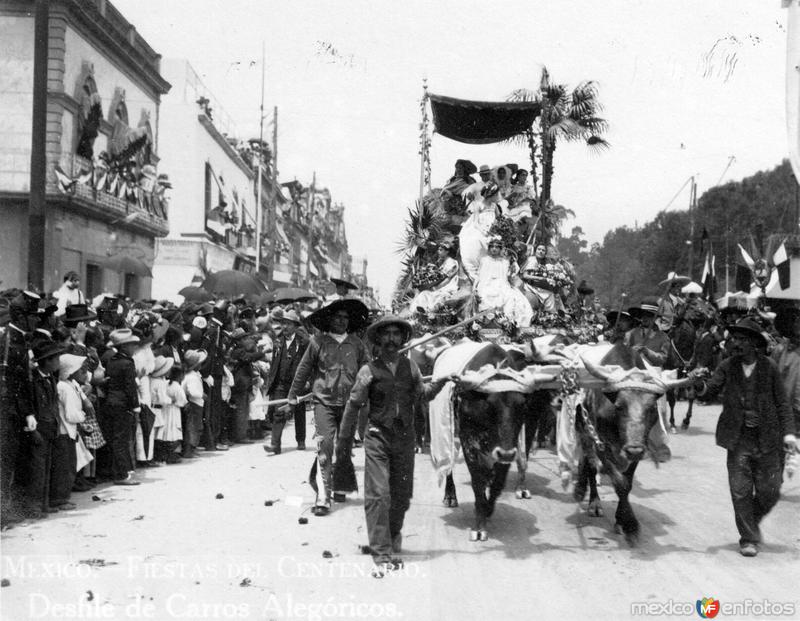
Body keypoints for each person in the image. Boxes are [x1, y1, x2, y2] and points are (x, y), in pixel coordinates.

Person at [335, 316, 447, 577]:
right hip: (377, 437)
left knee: (402, 495)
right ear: (379, 340)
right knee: (378, 495)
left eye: (397, 335)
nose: (391, 339)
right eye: (387, 335)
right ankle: (382, 552)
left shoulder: (412, 368)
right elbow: (353, 405)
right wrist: (343, 442)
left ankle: (393, 535)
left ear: (402, 340)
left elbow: (423, 394)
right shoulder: (368, 371)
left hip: (405, 439)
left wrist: (443, 381)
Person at [694, 317, 796, 557]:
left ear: (754, 343)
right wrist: (699, 385)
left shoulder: (769, 367)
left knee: (770, 490)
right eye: (734, 339)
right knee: (739, 490)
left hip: (768, 440)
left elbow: (782, 403)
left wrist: (789, 433)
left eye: (741, 340)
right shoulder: (727, 366)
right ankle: (748, 537)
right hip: (738, 440)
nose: (736, 344)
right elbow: (709, 391)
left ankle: (751, 518)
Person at [287, 299, 370, 515]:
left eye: (345, 318)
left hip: (350, 404)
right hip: (324, 401)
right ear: (329, 319)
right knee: (325, 448)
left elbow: (366, 369)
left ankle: (341, 486)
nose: (342, 321)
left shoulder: (357, 343)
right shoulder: (317, 342)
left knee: (344, 449)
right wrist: (291, 397)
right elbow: (303, 370)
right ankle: (323, 498)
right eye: (337, 317)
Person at [21, 340, 65, 516]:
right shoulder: (33, 379)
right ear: (46, 361)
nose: (58, 362)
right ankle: (34, 507)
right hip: (38, 430)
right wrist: (33, 431)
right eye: (56, 359)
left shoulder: (50, 378)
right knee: (37, 470)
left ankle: (44, 504)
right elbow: (29, 406)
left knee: (47, 467)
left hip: (50, 428)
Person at [264, 310, 309, 454]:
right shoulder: (278, 341)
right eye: (283, 323)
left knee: (299, 411)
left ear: (295, 326)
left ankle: (301, 440)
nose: (284, 327)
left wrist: (308, 380)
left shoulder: (304, 342)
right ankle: (275, 445)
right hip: (280, 383)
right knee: (279, 412)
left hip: (297, 382)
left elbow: (310, 363)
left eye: (288, 324)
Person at [103, 328, 142, 485]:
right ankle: (121, 475)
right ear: (125, 347)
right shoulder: (127, 363)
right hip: (122, 404)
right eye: (132, 345)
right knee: (121, 439)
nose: (134, 348)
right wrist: (135, 406)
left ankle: (117, 472)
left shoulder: (112, 360)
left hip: (111, 402)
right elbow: (130, 387)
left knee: (115, 438)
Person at [474, 236, 533, 328]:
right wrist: (475, 288)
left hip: (502, 284)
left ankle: (506, 323)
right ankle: (487, 321)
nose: (494, 249)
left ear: (500, 249)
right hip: (486, 284)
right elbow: (479, 276)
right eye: (492, 247)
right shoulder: (484, 260)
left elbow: (507, 276)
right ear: (489, 248)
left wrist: (512, 271)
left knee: (510, 297)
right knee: (484, 296)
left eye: (497, 247)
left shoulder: (505, 262)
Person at [410, 240, 460, 314]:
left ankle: (426, 310)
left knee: (428, 294)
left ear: (447, 252)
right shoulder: (443, 262)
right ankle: (419, 310)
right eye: (438, 250)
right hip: (441, 285)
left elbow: (448, 279)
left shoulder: (451, 262)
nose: (438, 251)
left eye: (441, 250)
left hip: (448, 286)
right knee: (423, 294)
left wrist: (436, 288)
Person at [180, 349, 207, 459]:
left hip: (197, 404)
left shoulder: (193, 375)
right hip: (194, 404)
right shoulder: (191, 377)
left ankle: (192, 448)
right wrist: (202, 395)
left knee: (195, 427)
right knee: (193, 427)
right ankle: (188, 450)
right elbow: (193, 392)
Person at [520, 243, 559, 312]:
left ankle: (549, 315)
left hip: (538, 287)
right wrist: (539, 278)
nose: (540, 251)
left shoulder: (543, 263)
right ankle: (550, 313)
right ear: (535, 251)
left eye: (543, 250)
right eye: (539, 249)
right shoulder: (532, 260)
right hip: (529, 286)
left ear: (545, 253)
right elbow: (525, 275)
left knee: (551, 294)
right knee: (549, 295)